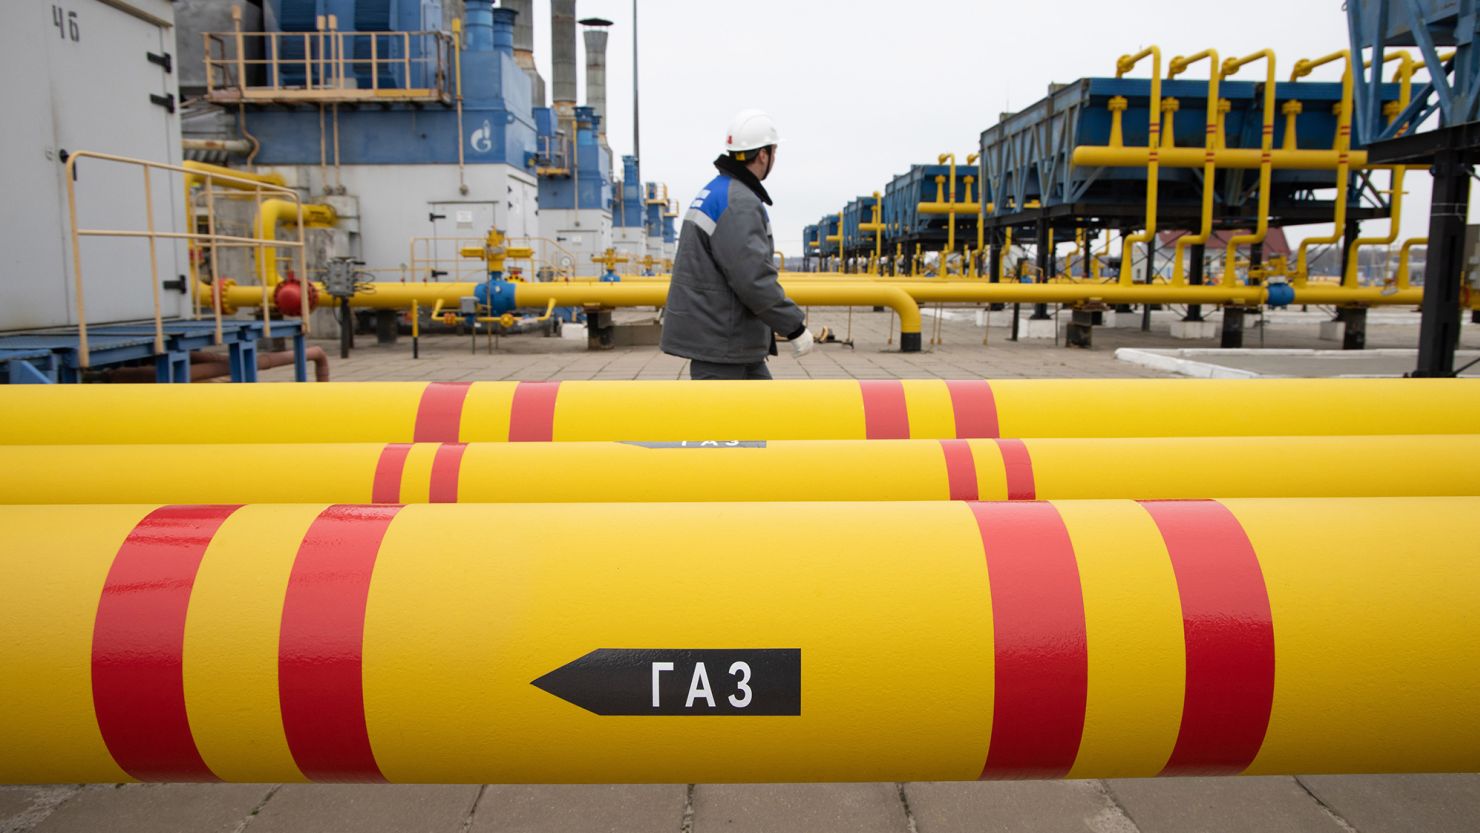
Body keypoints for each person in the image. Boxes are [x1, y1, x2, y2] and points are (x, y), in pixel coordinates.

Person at [660, 109, 814, 380]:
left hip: (726, 341)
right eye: (774, 152)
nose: (774, 158)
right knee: (728, 422)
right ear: (763, 155)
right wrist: (794, 328)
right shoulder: (739, 202)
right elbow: (752, 278)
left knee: (763, 419)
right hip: (723, 344)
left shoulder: (718, 191)